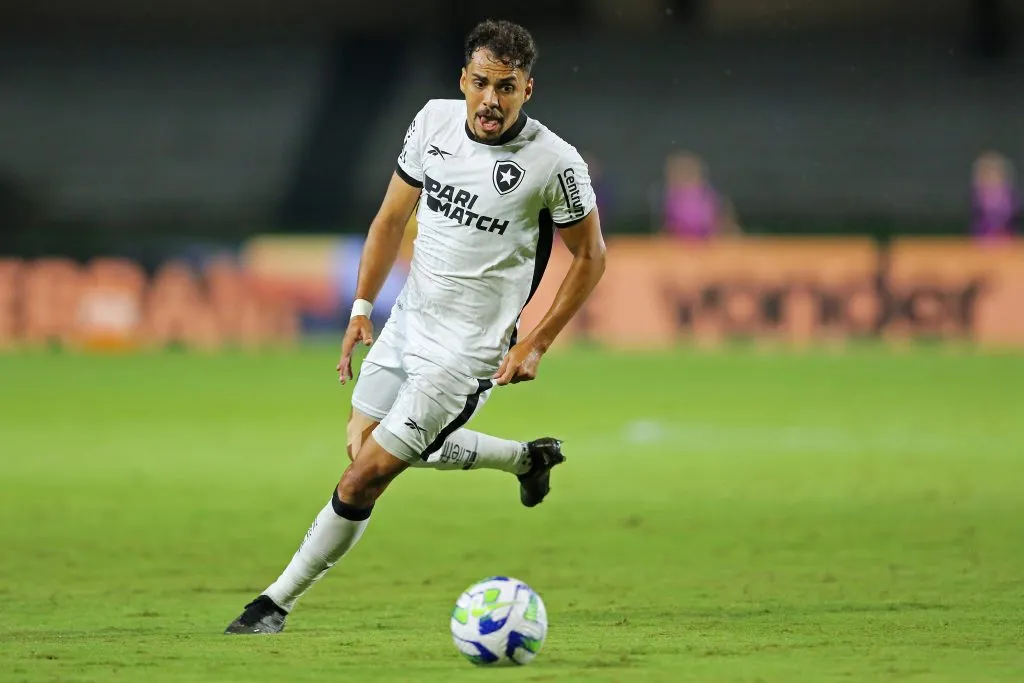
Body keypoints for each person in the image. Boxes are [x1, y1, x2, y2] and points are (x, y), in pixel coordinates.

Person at [225, 19, 606, 635]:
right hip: (406, 325)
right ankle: (524, 460)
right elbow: (388, 220)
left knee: (363, 476)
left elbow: (591, 257)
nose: (490, 99)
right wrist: (359, 309)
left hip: (465, 355)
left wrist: (537, 341)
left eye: (506, 87)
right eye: (480, 83)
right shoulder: (430, 122)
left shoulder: (554, 163)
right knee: (364, 444)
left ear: (527, 90)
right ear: (463, 80)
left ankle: (273, 603)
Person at [661, 151, 739, 240]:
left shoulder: (706, 195)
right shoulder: (672, 197)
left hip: (707, 241)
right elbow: (670, 226)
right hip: (681, 243)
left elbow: (720, 220)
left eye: (686, 171)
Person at [971, 150, 1019, 242]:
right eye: (987, 174)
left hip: (1007, 241)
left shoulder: (1009, 196)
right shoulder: (978, 197)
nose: (991, 178)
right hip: (982, 241)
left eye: (994, 174)